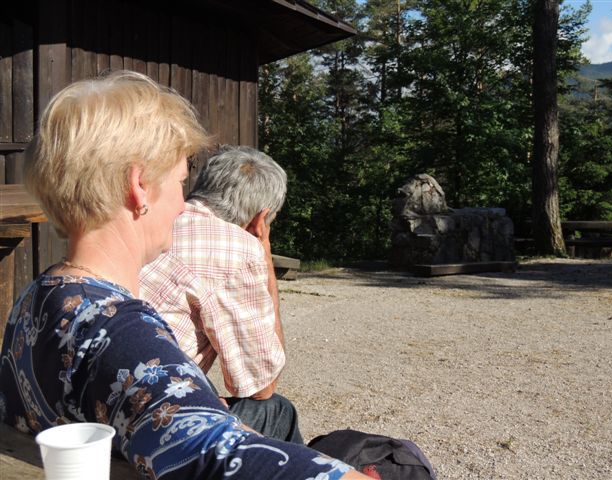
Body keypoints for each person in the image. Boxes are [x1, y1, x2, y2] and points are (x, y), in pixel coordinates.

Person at [0, 70, 369, 480]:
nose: (182, 205)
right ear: (139, 186)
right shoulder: (123, 333)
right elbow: (215, 456)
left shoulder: (35, 296)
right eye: (179, 182)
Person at [139, 146, 302, 443]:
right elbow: (260, 384)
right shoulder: (237, 249)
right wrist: (264, 259)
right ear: (260, 220)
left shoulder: (154, 218)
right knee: (276, 410)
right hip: (148, 423)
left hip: (97, 405)